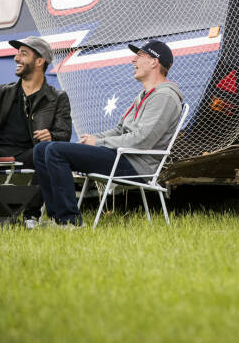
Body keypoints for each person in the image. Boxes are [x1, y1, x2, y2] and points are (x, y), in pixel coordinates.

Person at [32, 40, 183, 227]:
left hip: (136, 164)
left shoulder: (164, 97)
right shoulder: (145, 94)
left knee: (55, 151)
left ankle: (70, 222)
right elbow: (121, 130)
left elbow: (142, 140)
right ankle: (56, 219)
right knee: (41, 149)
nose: (133, 60)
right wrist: (95, 139)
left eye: (140, 56)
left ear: (154, 62)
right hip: (122, 155)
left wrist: (99, 143)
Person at [0, 36, 72, 219]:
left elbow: (64, 135)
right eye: (17, 53)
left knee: (46, 153)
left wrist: (51, 136)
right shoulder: (1, 92)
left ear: (39, 61)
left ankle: (31, 215)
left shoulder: (58, 97)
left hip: (29, 152)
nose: (16, 58)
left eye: (23, 54)